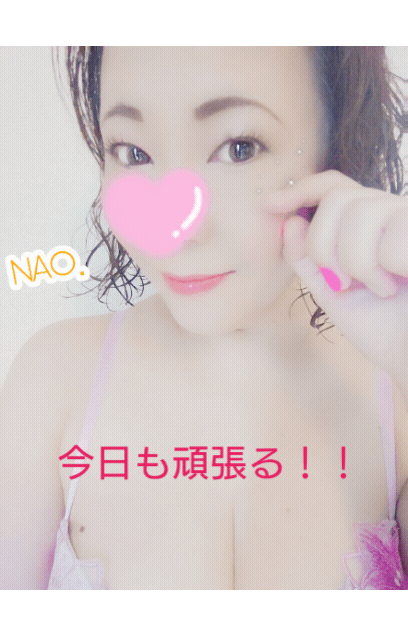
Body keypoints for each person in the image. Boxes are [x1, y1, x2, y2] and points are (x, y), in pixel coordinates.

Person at [1, 46, 408, 590]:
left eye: (239, 148)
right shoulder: (52, 381)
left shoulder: (396, 393)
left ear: (339, 144)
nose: (178, 229)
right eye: (134, 152)